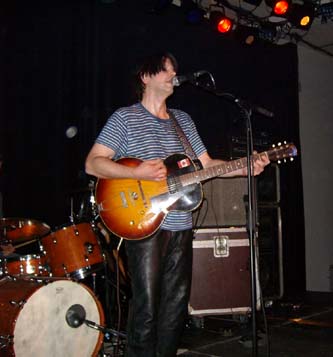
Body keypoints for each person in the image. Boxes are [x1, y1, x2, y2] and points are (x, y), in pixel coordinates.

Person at [85, 51, 269, 357]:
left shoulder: (182, 121)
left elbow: (208, 165)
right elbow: (93, 164)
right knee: (146, 305)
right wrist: (136, 171)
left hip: (180, 223)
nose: (173, 75)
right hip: (143, 222)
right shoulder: (125, 117)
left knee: (176, 304)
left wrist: (245, 166)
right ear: (146, 77)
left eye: (174, 70)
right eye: (166, 70)